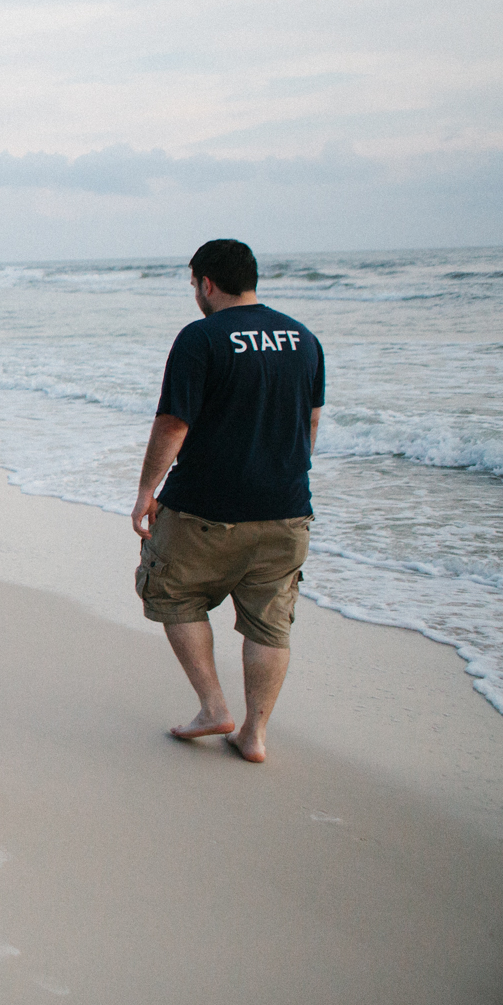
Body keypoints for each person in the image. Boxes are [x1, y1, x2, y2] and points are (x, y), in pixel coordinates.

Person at [130, 239, 323, 764]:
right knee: (269, 620)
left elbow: (174, 422)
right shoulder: (304, 339)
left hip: (205, 508)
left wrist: (147, 490)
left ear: (206, 283)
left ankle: (214, 707)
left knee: (173, 593)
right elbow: (310, 423)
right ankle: (255, 734)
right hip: (287, 509)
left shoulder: (201, 338)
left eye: (194, 284)